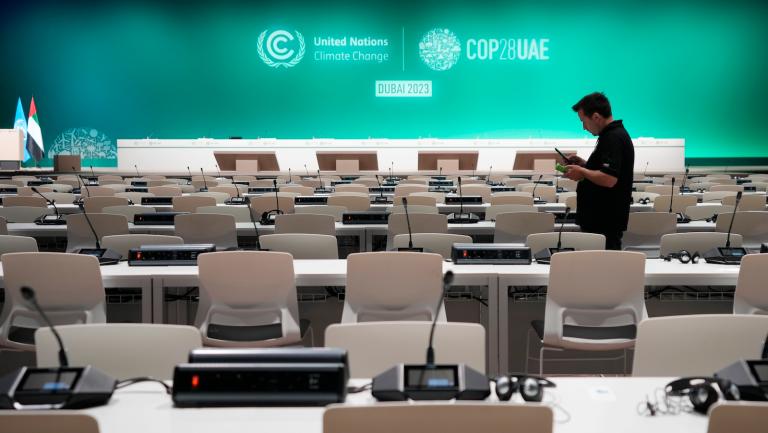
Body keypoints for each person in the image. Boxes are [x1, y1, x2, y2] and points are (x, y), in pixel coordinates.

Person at [564, 92, 634, 250]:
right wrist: (584, 164)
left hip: (604, 224)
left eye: (584, 121)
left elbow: (609, 179)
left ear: (596, 117)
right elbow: (608, 170)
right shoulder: (613, 135)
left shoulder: (612, 138)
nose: (583, 127)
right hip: (603, 222)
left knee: (602, 271)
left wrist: (582, 172)